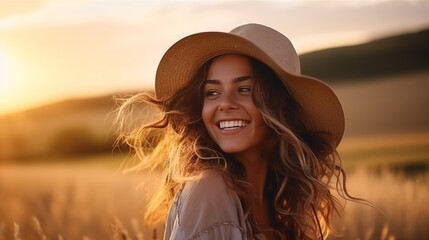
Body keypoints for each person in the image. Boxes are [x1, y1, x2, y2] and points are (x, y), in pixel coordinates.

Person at [117, 23, 355, 240]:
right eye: (212, 92)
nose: (225, 103)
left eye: (244, 89)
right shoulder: (211, 189)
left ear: (280, 105)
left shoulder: (271, 201)